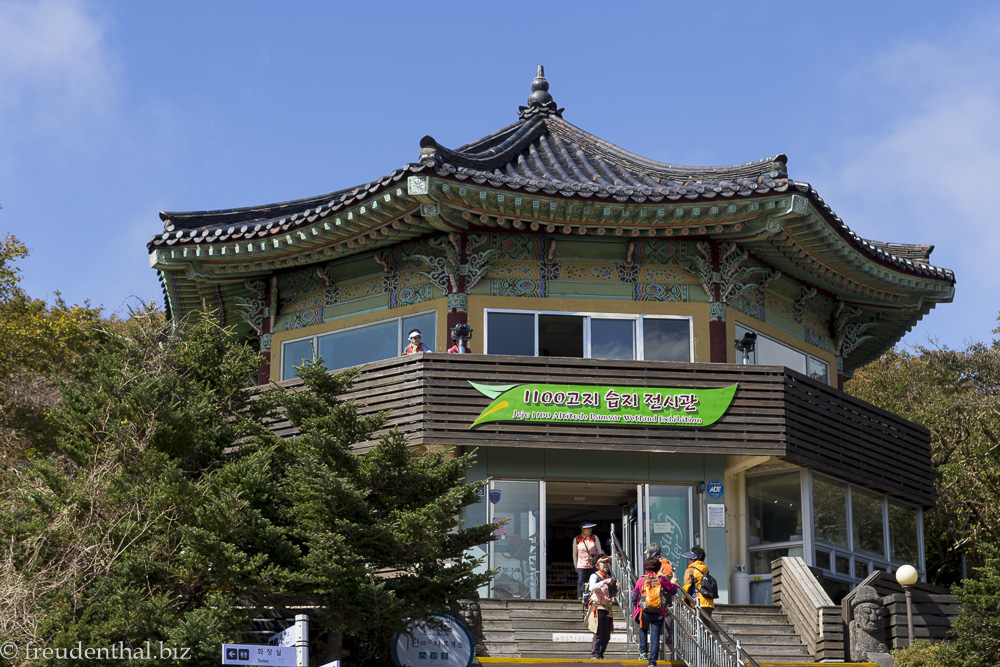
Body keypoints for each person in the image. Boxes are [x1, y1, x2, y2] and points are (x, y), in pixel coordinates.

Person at [631, 555, 678, 667]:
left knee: (643, 629)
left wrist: (638, 605)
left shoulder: (641, 580)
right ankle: (652, 663)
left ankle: (643, 653)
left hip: (644, 611)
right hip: (658, 612)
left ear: (645, 567)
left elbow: (634, 597)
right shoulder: (661, 579)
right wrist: (673, 583)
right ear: (658, 568)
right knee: (655, 637)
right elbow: (672, 590)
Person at [586, 556, 615, 659]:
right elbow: (591, 587)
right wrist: (604, 582)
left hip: (607, 608)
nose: (606, 565)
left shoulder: (608, 577)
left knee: (607, 635)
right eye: (603, 563)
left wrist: (616, 589)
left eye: (607, 563)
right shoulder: (595, 576)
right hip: (598, 608)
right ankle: (595, 654)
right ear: (597, 565)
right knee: (598, 633)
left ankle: (601, 654)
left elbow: (613, 595)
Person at [681, 546, 715, 621]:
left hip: (696, 602)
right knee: (706, 629)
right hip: (708, 603)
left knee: (697, 628)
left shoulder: (690, 570)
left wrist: (684, 601)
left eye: (689, 559)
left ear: (693, 559)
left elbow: (686, 588)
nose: (688, 560)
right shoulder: (705, 570)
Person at [574, 522, 602, 600]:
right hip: (581, 564)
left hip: (593, 563)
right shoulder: (577, 539)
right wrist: (575, 564)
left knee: (593, 579)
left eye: (591, 528)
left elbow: (599, 551)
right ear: (583, 529)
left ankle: (593, 595)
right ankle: (580, 596)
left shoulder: (594, 538)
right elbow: (575, 553)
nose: (590, 530)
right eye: (588, 528)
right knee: (581, 580)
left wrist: (599, 562)